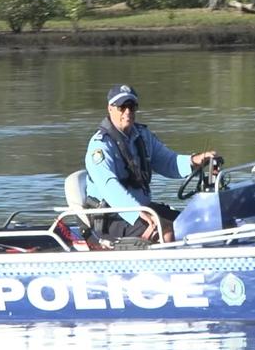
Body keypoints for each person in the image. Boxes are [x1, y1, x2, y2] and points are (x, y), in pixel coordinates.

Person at [84, 84, 218, 242]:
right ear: (110, 108)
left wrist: (194, 161)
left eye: (132, 107)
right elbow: (109, 186)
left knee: (189, 223)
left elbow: (168, 161)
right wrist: (135, 212)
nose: (127, 112)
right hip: (112, 217)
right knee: (166, 233)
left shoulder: (142, 136)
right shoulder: (100, 146)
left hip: (142, 208)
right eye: (122, 107)